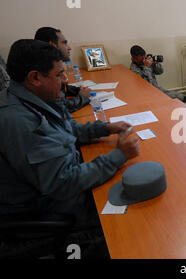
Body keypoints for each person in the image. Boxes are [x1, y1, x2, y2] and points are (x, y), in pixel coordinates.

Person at [0, 39, 140, 257]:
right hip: (52, 213)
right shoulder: (21, 122)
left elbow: (67, 129)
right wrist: (118, 156)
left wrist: (104, 128)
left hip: (54, 194)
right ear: (35, 77)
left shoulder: (28, 99)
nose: (66, 80)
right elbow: (64, 183)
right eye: (58, 75)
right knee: (137, 219)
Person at [34, 27, 91, 113]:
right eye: (64, 43)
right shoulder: (43, 70)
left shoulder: (51, 65)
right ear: (52, 45)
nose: (69, 48)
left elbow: (62, 88)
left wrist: (78, 90)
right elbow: (61, 107)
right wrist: (82, 97)